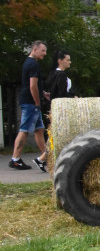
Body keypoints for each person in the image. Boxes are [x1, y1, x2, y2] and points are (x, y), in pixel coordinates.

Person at [10, 41, 49, 172]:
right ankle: (15, 159)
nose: (45, 53)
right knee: (25, 129)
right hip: (31, 102)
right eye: (43, 50)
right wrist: (37, 102)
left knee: (39, 130)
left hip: (29, 100)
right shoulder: (34, 64)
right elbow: (32, 86)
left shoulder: (28, 62)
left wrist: (42, 93)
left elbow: (31, 84)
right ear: (34, 49)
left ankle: (45, 157)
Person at [42, 50, 75, 124]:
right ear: (60, 61)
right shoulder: (61, 75)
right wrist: (73, 99)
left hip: (53, 106)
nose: (70, 62)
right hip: (61, 108)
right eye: (68, 60)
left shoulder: (53, 74)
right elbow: (62, 94)